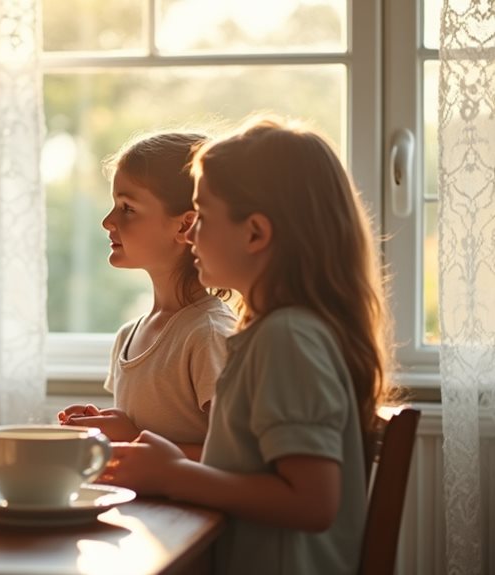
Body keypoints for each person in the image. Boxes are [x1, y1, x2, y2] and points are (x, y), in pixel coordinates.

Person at [99, 116, 396, 574]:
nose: (191, 234)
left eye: (204, 218)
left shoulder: (288, 339)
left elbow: (312, 503)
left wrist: (173, 473)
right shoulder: (273, 335)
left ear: (255, 233)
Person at [57, 133, 236, 460]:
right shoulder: (129, 335)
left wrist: (133, 439)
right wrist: (106, 426)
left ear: (185, 227)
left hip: (192, 513)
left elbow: (233, 457)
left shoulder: (208, 334)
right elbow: (148, 428)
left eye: (127, 208)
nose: (108, 221)